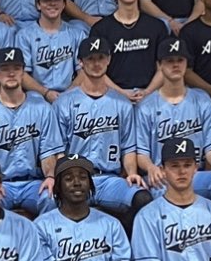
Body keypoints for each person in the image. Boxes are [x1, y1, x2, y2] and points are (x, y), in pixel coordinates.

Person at [136, 37, 211, 216]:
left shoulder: (202, 100)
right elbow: (142, 154)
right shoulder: (146, 106)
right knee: (159, 187)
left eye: (180, 60)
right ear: (160, 65)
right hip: (163, 176)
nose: (175, 65)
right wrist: (151, 168)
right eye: (169, 61)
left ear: (186, 63)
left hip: (194, 174)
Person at [53, 37, 151, 222]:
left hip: (109, 180)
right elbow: (58, 151)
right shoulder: (64, 103)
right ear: (80, 62)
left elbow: (128, 148)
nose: (96, 63)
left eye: (100, 57)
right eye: (90, 59)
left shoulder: (122, 103)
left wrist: (131, 173)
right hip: (75, 178)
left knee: (142, 198)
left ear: (108, 59)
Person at [0, 47, 63, 216]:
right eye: (5, 69)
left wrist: (50, 177)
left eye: (16, 69)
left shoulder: (42, 109)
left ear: (23, 73)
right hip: (0, 183)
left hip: (32, 183)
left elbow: (48, 153)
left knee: (51, 197)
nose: (11, 74)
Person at [88, 0, 168, 102]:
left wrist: (147, 92)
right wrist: (122, 93)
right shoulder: (101, 29)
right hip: (113, 96)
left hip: (151, 95)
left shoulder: (156, 26)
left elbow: (164, 67)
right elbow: (96, 70)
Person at [17, 0, 87, 102]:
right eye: (46, 0)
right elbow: (22, 74)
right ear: (38, 4)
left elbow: (84, 71)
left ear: (64, 4)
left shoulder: (77, 34)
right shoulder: (24, 36)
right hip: (37, 98)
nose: (52, 4)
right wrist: (45, 93)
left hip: (71, 96)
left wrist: (68, 93)